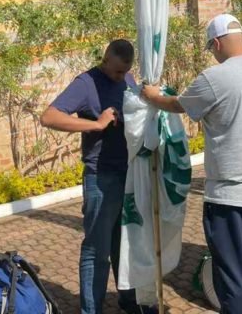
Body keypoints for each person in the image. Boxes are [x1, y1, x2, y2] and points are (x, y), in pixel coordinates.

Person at [142, 14, 242, 314]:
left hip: (231, 201)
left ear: (216, 43)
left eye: (211, 48)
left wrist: (151, 96)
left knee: (233, 277)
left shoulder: (214, 79)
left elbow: (179, 105)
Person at [40, 40, 151, 314]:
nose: (120, 77)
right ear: (105, 61)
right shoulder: (86, 83)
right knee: (96, 251)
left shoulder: (127, 77)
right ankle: (91, 310)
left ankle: (129, 302)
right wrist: (96, 124)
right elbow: (49, 117)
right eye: (115, 72)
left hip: (128, 173)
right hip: (101, 177)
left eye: (125, 72)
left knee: (125, 245)